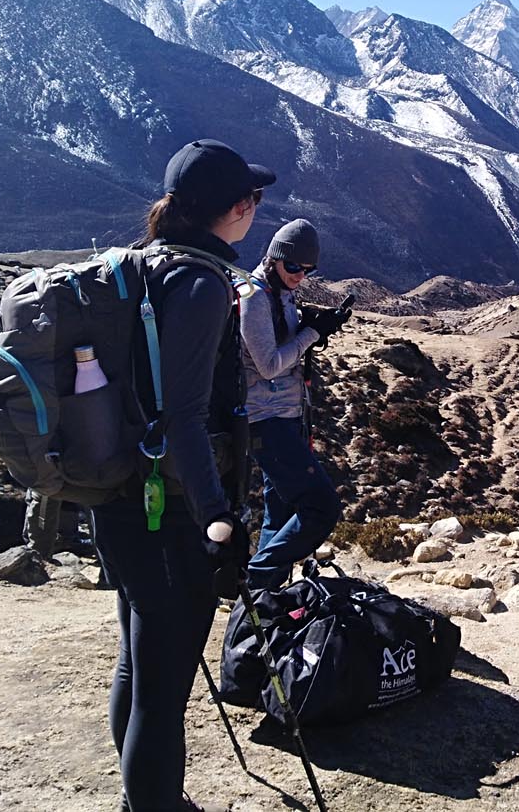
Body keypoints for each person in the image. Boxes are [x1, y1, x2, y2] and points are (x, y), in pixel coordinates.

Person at [91, 138, 273, 812]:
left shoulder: (144, 266)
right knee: (163, 692)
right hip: (168, 510)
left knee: (139, 666)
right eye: (252, 199)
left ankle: (147, 797)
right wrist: (219, 519)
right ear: (233, 209)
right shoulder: (198, 284)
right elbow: (186, 419)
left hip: (122, 495)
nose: (256, 208)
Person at [239, 218, 346, 590]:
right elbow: (268, 364)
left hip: (284, 415)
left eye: (308, 269)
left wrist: (310, 323)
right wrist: (313, 333)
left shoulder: (280, 292)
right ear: (273, 259)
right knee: (321, 508)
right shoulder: (253, 299)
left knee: (279, 511)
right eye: (294, 267)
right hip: (264, 419)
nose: (301, 275)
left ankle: (268, 600)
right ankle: (255, 587)